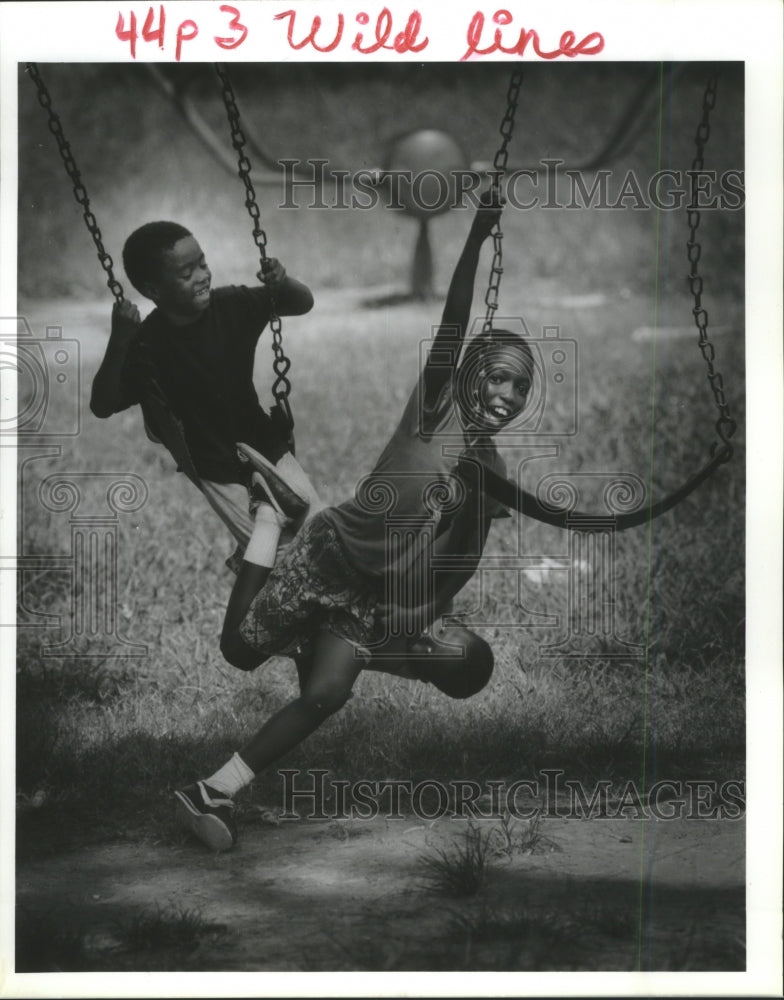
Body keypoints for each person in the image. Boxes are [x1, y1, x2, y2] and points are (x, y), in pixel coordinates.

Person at [175, 192, 538, 852]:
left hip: (370, 596)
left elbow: (462, 557)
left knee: (331, 691)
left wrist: (428, 610)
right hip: (331, 554)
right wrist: (477, 236)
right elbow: (456, 316)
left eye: (521, 391)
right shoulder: (437, 404)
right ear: (468, 373)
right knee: (239, 651)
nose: (506, 397)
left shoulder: (489, 463)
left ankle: (213, 790)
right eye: (498, 378)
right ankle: (268, 518)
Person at [90, 221, 321, 582]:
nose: (202, 275)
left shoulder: (232, 305)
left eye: (203, 263)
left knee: (319, 535)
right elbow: (102, 404)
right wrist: (119, 340)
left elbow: (301, 302)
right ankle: (279, 626)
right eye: (187, 272)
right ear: (153, 289)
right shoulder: (147, 344)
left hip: (267, 445)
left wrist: (282, 283)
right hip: (215, 466)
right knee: (283, 564)